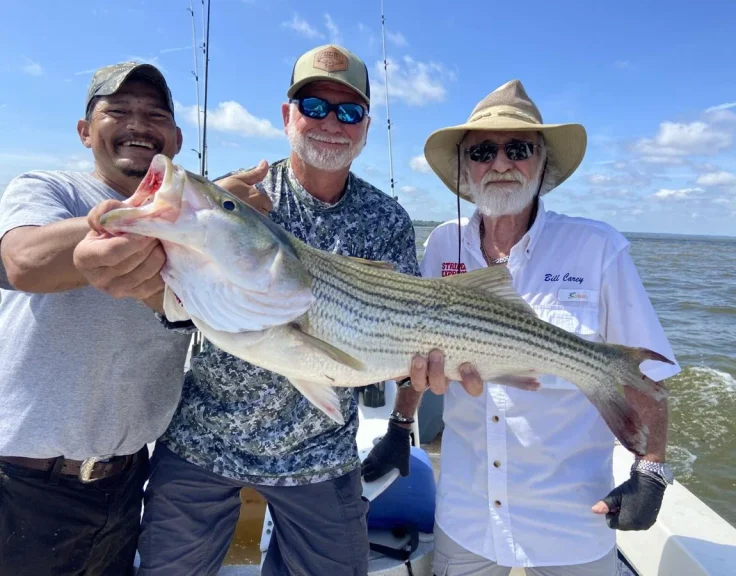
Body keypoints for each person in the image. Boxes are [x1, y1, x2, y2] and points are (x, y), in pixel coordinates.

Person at [77, 43, 431, 576]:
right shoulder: (238, 195)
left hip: (322, 451)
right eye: (313, 107)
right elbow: (168, 295)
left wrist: (402, 425)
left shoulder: (389, 221)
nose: (331, 122)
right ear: (287, 116)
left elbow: (414, 333)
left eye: (349, 111)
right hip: (202, 438)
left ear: (364, 127)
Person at [363, 80, 682, 576]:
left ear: (542, 163)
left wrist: (652, 468)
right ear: (465, 170)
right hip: (466, 517)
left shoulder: (597, 249)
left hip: (570, 521)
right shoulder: (442, 247)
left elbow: (646, 375)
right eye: (484, 151)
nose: (501, 163)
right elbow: (419, 345)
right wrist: (401, 424)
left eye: (518, 148)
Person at [0, 62, 193, 576]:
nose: (139, 124)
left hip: (128, 482)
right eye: (118, 111)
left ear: (175, 137)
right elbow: (24, 261)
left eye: (155, 114)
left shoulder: (191, 219)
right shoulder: (46, 188)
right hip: (24, 484)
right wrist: (125, 219)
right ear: (85, 131)